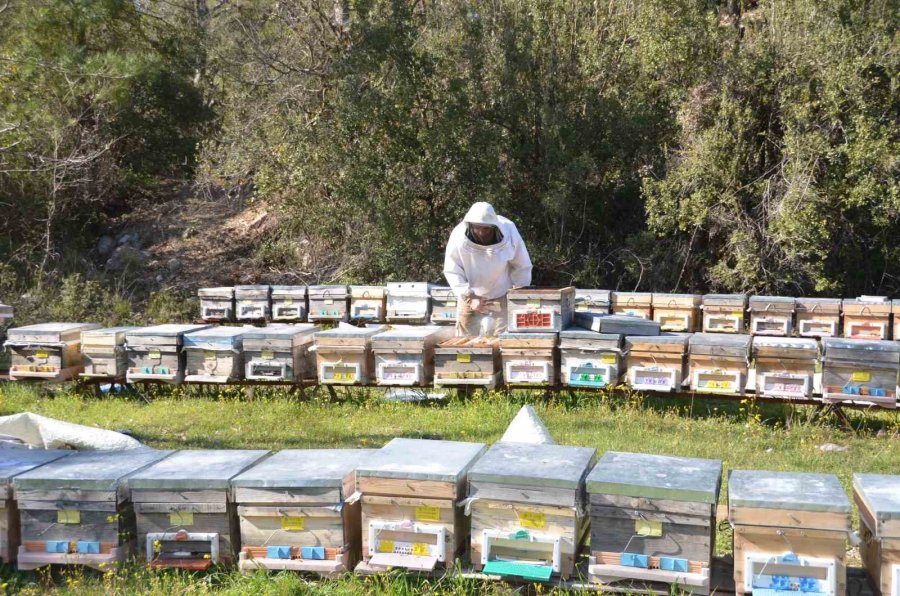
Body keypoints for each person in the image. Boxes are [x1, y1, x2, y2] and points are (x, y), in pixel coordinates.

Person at [443, 202, 533, 336]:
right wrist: (470, 297)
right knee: (465, 340)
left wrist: (518, 294)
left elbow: (522, 265)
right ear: (470, 225)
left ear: (494, 226)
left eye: (486, 229)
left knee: (502, 339)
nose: (481, 233)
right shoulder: (458, 236)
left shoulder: (509, 231)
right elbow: (452, 270)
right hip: (469, 294)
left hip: (501, 293)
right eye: (477, 228)